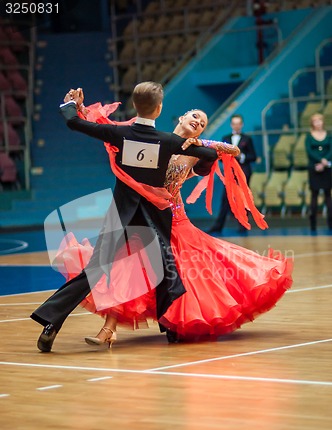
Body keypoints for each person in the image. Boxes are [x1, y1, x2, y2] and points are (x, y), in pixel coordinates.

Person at [56, 104, 292, 346]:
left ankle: (176, 324)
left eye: (202, 123)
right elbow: (110, 130)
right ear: (182, 116)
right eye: (195, 116)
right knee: (125, 269)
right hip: (147, 217)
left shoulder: (197, 149)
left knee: (183, 275)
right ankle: (109, 329)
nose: (198, 122)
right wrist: (80, 110)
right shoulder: (158, 140)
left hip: (175, 220)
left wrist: (202, 144)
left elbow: (232, 149)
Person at [31, 82, 220, 352]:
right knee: (166, 270)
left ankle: (52, 321)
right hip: (154, 219)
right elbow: (209, 155)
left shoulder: (120, 133)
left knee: (95, 270)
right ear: (160, 109)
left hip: (121, 214)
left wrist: (71, 105)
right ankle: (171, 329)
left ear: (134, 106)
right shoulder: (168, 141)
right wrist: (202, 152)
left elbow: (74, 123)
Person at [208, 114, 257, 234]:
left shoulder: (247, 139)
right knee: (225, 198)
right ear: (231, 125)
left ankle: (243, 224)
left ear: (242, 125)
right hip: (229, 173)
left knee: (242, 197)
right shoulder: (226, 138)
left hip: (243, 173)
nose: (236, 126)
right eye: (234, 123)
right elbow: (219, 155)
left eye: (238, 123)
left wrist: (242, 156)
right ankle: (218, 225)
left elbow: (253, 156)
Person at [305, 113, 332, 232]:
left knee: (328, 195)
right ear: (312, 123)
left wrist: (325, 162)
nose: (318, 123)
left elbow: (331, 149)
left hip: (327, 168)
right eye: (315, 121)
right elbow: (309, 151)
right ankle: (313, 224)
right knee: (314, 195)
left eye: (320, 120)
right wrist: (320, 161)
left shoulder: (329, 136)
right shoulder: (309, 137)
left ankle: (330, 223)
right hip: (314, 168)